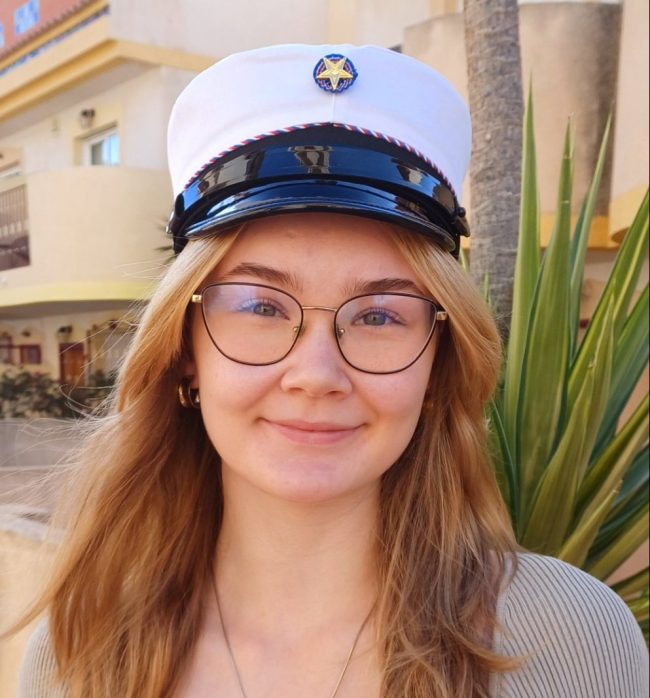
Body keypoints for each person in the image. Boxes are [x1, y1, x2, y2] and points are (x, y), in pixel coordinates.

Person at [13, 44, 647, 698]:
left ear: (437, 366)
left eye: (379, 315)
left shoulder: (573, 640)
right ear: (185, 353)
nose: (316, 374)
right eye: (260, 306)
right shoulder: (76, 654)